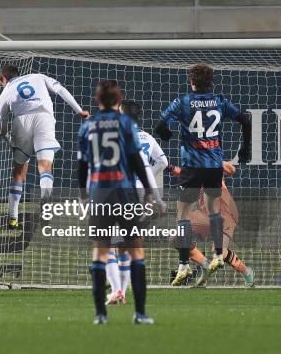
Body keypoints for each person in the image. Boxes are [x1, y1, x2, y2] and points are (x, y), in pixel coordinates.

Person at [154, 63, 251, 286]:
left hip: (193, 166)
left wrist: (167, 135)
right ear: (211, 83)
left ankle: (183, 266)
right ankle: (218, 254)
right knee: (214, 209)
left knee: (183, 215)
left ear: (192, 82)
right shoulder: (219, 101)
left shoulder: (183, 102)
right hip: (214, 166)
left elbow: (160, 127)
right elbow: (245, 119)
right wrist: (245, 149)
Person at [78, 80, 155, 325]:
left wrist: (83, 196)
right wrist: (150, 191)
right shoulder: (125, 124)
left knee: (101, 252)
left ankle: (100, 314)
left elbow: (82, 166)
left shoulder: (88, 125)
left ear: (98, 101)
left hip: (100, 193)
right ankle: (140, 313)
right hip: (124, 192)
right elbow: (136, 160)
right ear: (118, 100)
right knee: (135, 252)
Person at [0, 65, 89, 229]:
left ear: (4, 78)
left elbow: (1, 124)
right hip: (43, 118)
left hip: (21, 121)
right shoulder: (38, 76)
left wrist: (8, 138)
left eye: (0, 80)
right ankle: (46, 206)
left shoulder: (6, 91)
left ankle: (12, 217)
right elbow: (60, 89)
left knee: (19, 171)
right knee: (45, 167)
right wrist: (79, 110)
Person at [105, 100, 168, 305]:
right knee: (128, 241)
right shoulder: (147, 137)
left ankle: (117, 286)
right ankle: (122, 285)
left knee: (110, 241)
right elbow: (163, 162)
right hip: (142, 191)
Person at [168, 161, 254, 287]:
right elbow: (181, 172)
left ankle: (247, 272)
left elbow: (231, 170)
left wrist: (215, 160)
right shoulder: (193, 169)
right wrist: (170, 167)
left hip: (226, 215)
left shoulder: (212, 163)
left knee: (220, 251)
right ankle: (205, 265)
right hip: (205, 215)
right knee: (176, 237)